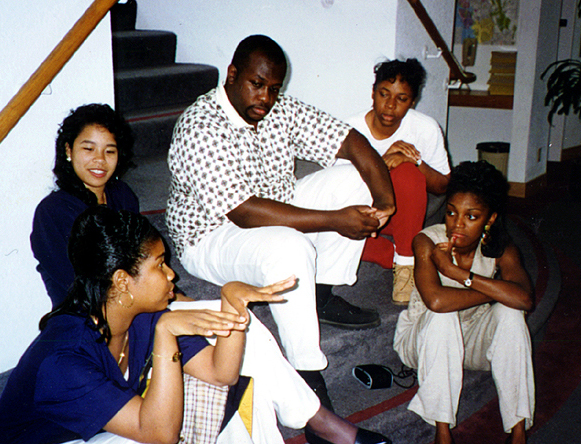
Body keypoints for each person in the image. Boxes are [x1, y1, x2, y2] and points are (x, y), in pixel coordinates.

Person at [0, 206, 392, 444]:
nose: (172, 275)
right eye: (159, 265)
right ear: (121, 281)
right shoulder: (62, 360)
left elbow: (220, 374)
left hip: (105, 429)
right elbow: (159, 434)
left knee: (232, 402)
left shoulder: (141, 313)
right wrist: (167, 333)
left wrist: (234, 304)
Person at [166, 34, 395, 404]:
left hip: (273, 207)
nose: (266, 99)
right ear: (232, 74)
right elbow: (243, 211)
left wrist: (385, 202)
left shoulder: (278, 109)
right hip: (211, 235)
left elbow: (352, 141)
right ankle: (306, 373)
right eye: (257, 85)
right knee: (290, 246)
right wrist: (335, 220)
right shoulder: (200, 125)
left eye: (274, 88)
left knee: (354, 177)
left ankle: (321, 292)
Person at [393, 161, 535, 444]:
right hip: (422, 340)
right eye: (451, 212)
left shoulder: (501, 248)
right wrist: (496, 290)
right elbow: (435, 300)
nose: (457, 224)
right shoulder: (427, 241)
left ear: (490, 219)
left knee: (511, 313)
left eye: (471, 216)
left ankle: (518, 431)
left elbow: (525, 299)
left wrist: (459, 274)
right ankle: (442, 432)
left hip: (473, 341)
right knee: (445, 314)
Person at [346, 58, 451, 305]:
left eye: (402, 99)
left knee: (407, 172)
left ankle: (405, 267)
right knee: (322, 228)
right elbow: (343, 188)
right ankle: (399, 257)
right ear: (373, 93)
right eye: (384, 94)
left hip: (402, 215)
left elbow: (443, 185)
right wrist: (381, 162)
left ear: (412, 102)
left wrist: (413, 161)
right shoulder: (350, 129)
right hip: (362, 210)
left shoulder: (425, 128)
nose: (390, 106)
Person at [31, 103, 139, 309]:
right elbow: (80, 287)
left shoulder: (123, 195)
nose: (100, 160)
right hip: (84, 318)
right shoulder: (53, 212)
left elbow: (143, 257)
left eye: (110, 151)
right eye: (89, 149)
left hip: (130, 304)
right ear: (68, 150)